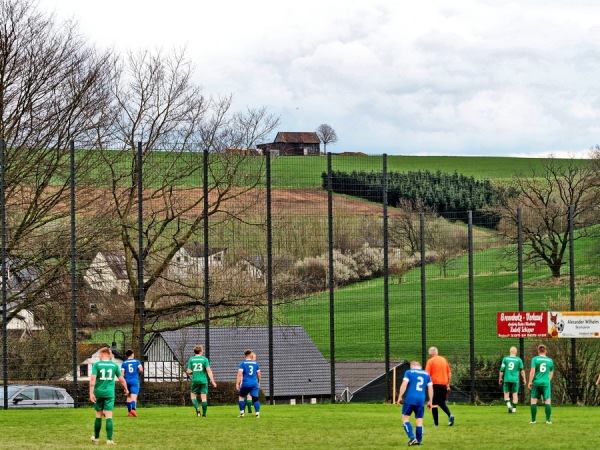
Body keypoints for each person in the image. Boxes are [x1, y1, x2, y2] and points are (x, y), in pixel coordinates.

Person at [89, 347, 128, 446]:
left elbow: (93, 379)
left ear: (102, 355)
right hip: (109, 394)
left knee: (98, 415)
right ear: (109, 355)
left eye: (99, 355)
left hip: (98, 393)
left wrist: (91, 393)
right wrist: (126, 389)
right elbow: (122, 380)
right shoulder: (114, 365)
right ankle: (109, 440)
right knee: (109, 416)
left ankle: (97, 439)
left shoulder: (97, 365)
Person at [397, 360, 433, 446]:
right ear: (420, 366)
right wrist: (430, 401)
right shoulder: (426, 374)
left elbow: (404, 384)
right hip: (421, 399)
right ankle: (418, 442)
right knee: (419, 421)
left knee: (405, 419)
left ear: (412, 366)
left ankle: (412, 438)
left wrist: (400, 396)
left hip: (410, 399)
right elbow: (430, 388)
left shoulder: (409, 372)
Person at [425, 346, 454, 426]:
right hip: (444, 384)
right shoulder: (444, 360)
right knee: (441, 403)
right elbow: (449, 373)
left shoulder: (430, 361)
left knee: (434, 404)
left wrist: (427, 385)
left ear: (430, 354)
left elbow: (427, 374)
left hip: (434, 384)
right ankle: (450, 415)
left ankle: (436, 423)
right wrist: (448, 384)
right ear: (437, 352)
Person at [185, 345, 217, 417]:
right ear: (200, 351)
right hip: (203, 380)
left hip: (195, 380)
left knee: (193, 396)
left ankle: (197, 409)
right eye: (202, 350)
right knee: (204, 398)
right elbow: (209, 371)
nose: (203, 351)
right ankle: (204, 414)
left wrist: (194, 372)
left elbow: (188, 371)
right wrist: (213, 381)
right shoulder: (205, 359)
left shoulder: (191, 359)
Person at [528, 344, 554, 424]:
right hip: (546, 383)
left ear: (538, 351)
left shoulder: (535, 359)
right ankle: (548, 420)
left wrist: (530, 381)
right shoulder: (550, 360)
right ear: (545, 351)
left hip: (536, 382)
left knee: (533, 401)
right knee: (547, 401)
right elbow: (551, 372)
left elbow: (532, 371)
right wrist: (547, 380)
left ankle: (533, 420)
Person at [499, 346, 526, 413]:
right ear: (516, 352)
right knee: (515, 394)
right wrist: (524, 379)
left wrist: (500, 378)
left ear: (510, 352)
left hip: (507, 379)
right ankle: (514, 409)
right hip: (515, 380)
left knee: (506, 394)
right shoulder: (519, 360)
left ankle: (508, 405)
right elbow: (522, 371)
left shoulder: (505, 359)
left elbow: (501, 370)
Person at [236, 349, 261, 418]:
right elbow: (259, 375)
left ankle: (242, 413)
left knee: (241, 397)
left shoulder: (242, 364)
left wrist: (237, 383)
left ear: (245, 356)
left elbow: (240, 374)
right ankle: (257, 414)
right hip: (254, 383)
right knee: (255, 398)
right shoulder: (256, 364)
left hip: (245, 383)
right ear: (250, 355)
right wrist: (259, 382)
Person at [121, 349, 143, 417]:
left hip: (127, 381)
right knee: (134, 397)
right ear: (132, 354)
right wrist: (138, 374)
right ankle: (133, 410)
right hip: (134, 381)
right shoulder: (137, 362)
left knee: (128, 396)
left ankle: (129, 412)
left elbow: (122, 374)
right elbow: (141, 370)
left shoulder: (124, 363)